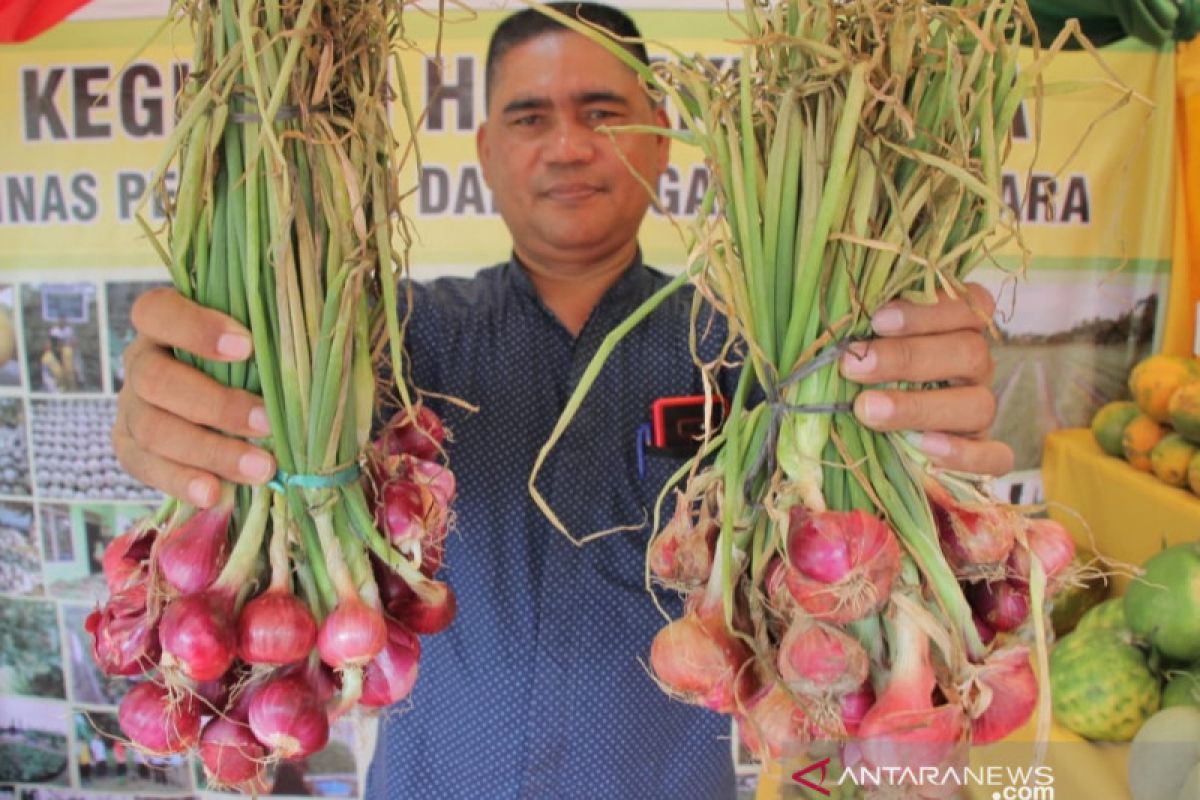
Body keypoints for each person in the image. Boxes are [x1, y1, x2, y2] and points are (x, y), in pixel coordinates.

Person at [112, 4, 1013, 798]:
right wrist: (197, 424)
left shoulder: (764, 355)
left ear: (662, 136)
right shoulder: (388, 341)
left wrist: (910, 416)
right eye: (530, 117)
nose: (569, 145)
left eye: (602, 113)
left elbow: (845, 525)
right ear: (488, 153)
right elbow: (256, 435)